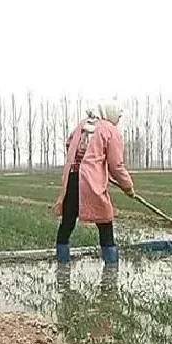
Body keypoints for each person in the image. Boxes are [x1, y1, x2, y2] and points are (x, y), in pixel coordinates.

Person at [53, 100, 135, 266]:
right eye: (118, 116)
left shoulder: (82, 125)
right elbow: (117, 165)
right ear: (111, 113)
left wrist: (82, 160)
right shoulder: (110, 131)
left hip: (72, 178)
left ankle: (62, 264)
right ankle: (111, 268)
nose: (118, 120)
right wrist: (128, 187)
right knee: (105, 221)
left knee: (67, 222)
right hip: (91, 182)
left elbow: (69, 144)